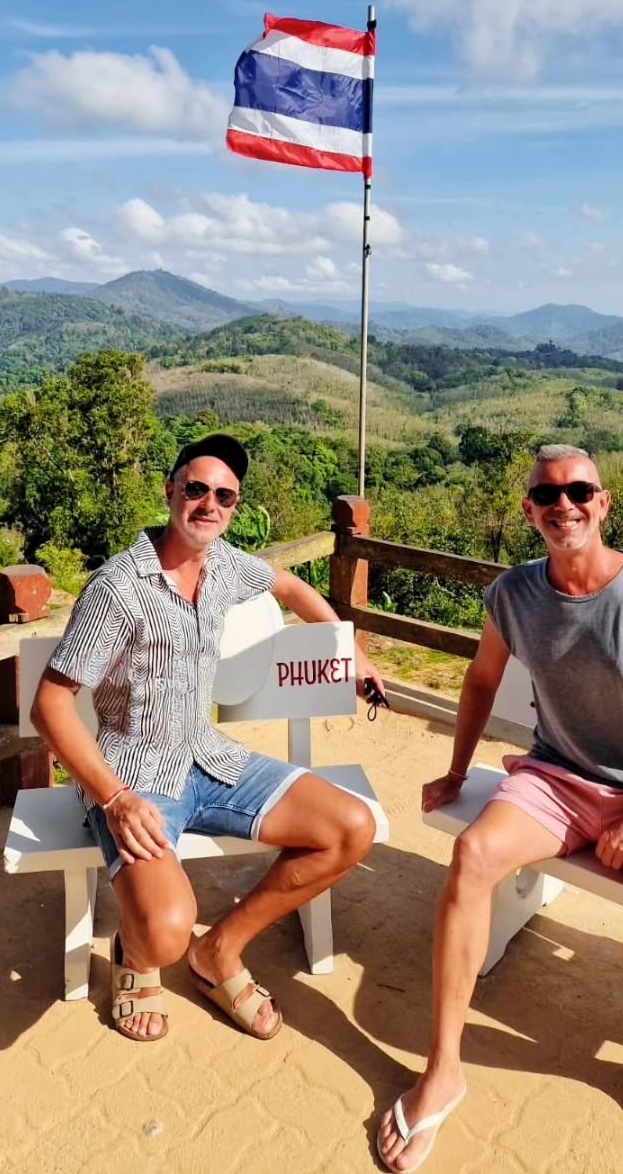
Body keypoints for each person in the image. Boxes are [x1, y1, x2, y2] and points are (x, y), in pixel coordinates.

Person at [378, 445, 623, 1174]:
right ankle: (445, 1062)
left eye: (579, 491)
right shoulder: (515, 595)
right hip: (559, 778)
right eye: (547, 495)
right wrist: (454, 770)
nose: (563, 504)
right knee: (471, 856)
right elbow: (479, 682)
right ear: (530, 511)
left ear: (602, 504)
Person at [31, 433, 385, 1043]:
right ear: (171, 491)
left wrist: (349, 650)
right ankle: (138, 957)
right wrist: (114, 799)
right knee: (166, 931)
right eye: (197, 489)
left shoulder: (225, 565)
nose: (210, 504)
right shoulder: (118, 587)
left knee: (352, 827)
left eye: (225, 496)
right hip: (134, 778)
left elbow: (292, 587)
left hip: (209, 756)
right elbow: (50, 703)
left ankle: (220, 951)